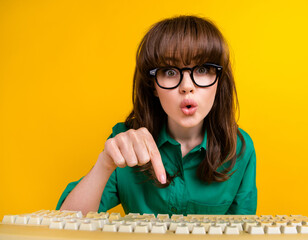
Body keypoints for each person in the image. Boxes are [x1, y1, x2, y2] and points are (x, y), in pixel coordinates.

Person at [56, 15, 257, 216]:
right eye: (170, 72)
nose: (187, 87)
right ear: (153, 85)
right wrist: (105, 164)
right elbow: (64, 223)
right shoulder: (125, 142)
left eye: (203, 69)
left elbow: (243, 232)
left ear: (219, 80)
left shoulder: (240, 148)